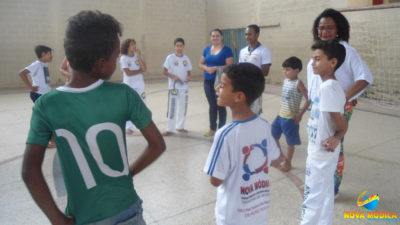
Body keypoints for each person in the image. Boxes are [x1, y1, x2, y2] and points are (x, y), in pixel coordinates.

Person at [21, 10, 165, 225]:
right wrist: (127, 174)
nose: (117, 62)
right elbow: (157, 145)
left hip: (82, 216)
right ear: (100, 63)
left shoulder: (46, 105)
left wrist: (57, 219)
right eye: (116, 57)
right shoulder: (124, 95)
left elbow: (30, 171)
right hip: (126, 211)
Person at [203, 63, 282, 225]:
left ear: (239, 96)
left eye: (223, 85)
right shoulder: (264, 125)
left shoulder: (225, 134)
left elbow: (215, 180)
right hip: (259, 211)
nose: (217, 88)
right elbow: (275, 158)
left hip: (233, 216)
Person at [307, 8, 374, 197]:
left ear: (338, 29)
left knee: (334, 141)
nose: (324, 31)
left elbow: (365, 77)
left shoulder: (346, 50)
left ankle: (332, 187)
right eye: (321, 28)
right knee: (320, 141)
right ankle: (321, 179)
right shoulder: (319, 49)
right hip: (320, 104)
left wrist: (344, 97)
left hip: (337, 104)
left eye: (329, 27)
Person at [301, 40, 348, 225]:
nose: (313, 63)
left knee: (312, 198)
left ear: (333, 62)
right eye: (313, 59)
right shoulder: (326, 86)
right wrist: (337, 136)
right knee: (324, 195)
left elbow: (340, 122)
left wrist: (337, 136)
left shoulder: (329, 88)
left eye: (318, 59)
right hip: (320, 153)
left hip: (321, 155)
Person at [271, 57, 311, 172]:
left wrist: (300, 114)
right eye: (284, 69)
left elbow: (309, 99)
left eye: (288, 69)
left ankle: (288, 163)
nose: (285, 72)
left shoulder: (298, 83)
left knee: (290, 142)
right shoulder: (285, 81)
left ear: (297, 70)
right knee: (273, 134)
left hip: (290, 118)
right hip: (280, 115)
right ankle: (280, 156)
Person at [19, 45, 55, 148]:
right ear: (43, 54)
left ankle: (50, 140)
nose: (51, 56)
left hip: (44, 95)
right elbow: (22, 73)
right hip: (38, 95)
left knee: (47, 117)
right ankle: (46, 141)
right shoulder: (37, 64)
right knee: (47, 118)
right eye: (49, 54)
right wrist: (30, 86)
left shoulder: (44, 64)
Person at [199, 28, 234, 137]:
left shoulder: (227, 50)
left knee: (221, 105)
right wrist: (206, 68)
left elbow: (230, 65)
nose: (215, 38)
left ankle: (221, 129)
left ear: (221, 37)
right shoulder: (206, 49)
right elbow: (200, 64)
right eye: (213, 36)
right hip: (208, 81)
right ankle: (212, 128)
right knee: (212, 105)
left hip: (220, 81)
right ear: (211, 38)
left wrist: (216, 68)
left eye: (217, 36)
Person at [239, 24, 272, 115]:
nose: (247, 37)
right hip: (243, 86)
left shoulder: (264, 51)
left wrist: (248, 74)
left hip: (255, 87)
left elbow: (265, 71)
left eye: (250, 34)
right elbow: (240, 68)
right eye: (246, 34)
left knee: (254, 113)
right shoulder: (243, 51)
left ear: (257, 35)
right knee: (243, 112)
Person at [162, 37, 192, 136]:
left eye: (181, 46)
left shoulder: (186, 58)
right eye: (177, 46)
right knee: (172, 108)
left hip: (184, 87)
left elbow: (188, 71)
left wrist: (188, 76)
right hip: (174, 87)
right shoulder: (170, 57)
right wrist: (173, 76)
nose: (179, 47)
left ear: (183, 46)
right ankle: (169, 129)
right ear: (174, 46)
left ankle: (180, 127)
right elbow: (165, 71)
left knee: (183, 108)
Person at [120, 38, 147, 135]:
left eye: (134, 44)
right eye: (132, 44)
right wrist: (140, 71)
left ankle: (143, 125)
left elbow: (144, 68)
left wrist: (139, 57)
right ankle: (128, 127)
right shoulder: (123, 58)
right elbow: (128, 73)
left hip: (140, 84)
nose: (134, 46)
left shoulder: (137, 56)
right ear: (127, 46)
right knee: (129, 107)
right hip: (129, 85)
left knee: (142, 105)